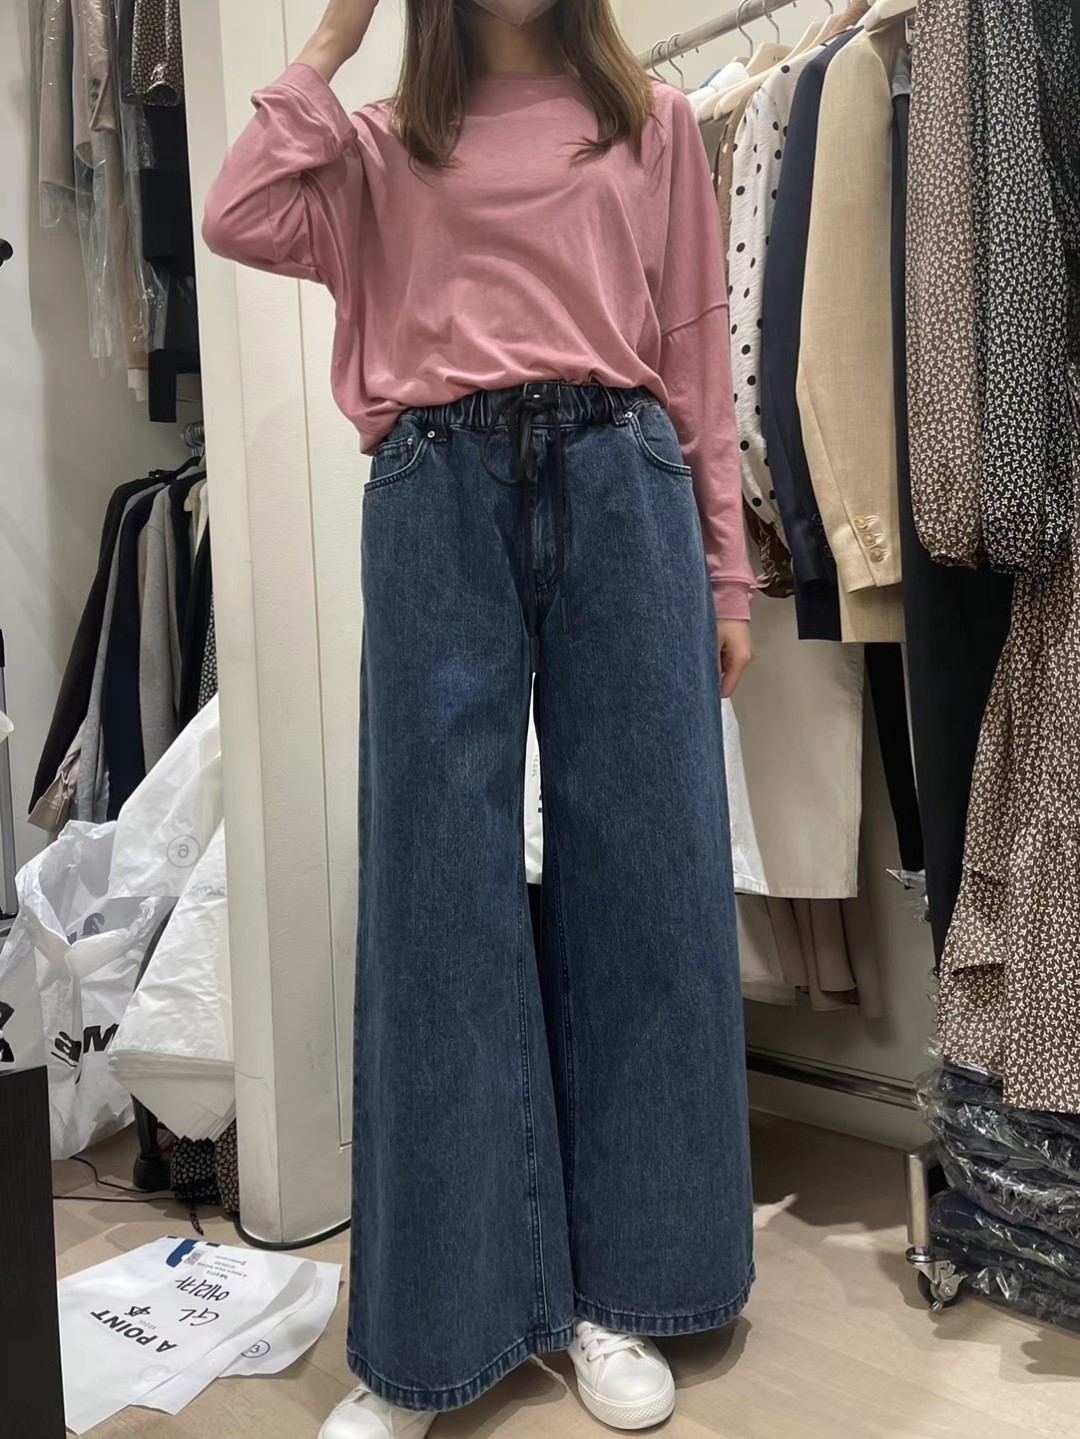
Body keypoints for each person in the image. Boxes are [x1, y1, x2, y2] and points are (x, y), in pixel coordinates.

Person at [203, 0, 755, 1433]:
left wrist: (726, 572)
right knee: (435, 902)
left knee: (646, 884)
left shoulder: (654, 125)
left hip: (624, 481)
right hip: (435, 495)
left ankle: (626, 1289)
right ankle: (437, 1335)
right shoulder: (383, 147)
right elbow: (236, 211)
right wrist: (332, 37)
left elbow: (695, 355)